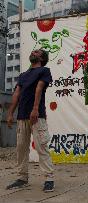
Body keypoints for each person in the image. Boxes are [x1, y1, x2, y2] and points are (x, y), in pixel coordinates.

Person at [6, 49, 55, 192]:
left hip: (36, 116)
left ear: (42, 58)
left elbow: (39, 89)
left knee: (41, 146)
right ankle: (22, 178)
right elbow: (17, 94)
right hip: (22, 116)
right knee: (21, 147)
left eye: (37, 52)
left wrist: (35, 109)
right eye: (33, 51)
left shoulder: (44, 71)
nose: (33, 52)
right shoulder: (23, 75)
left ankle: (49, 178)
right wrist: (10, 114)